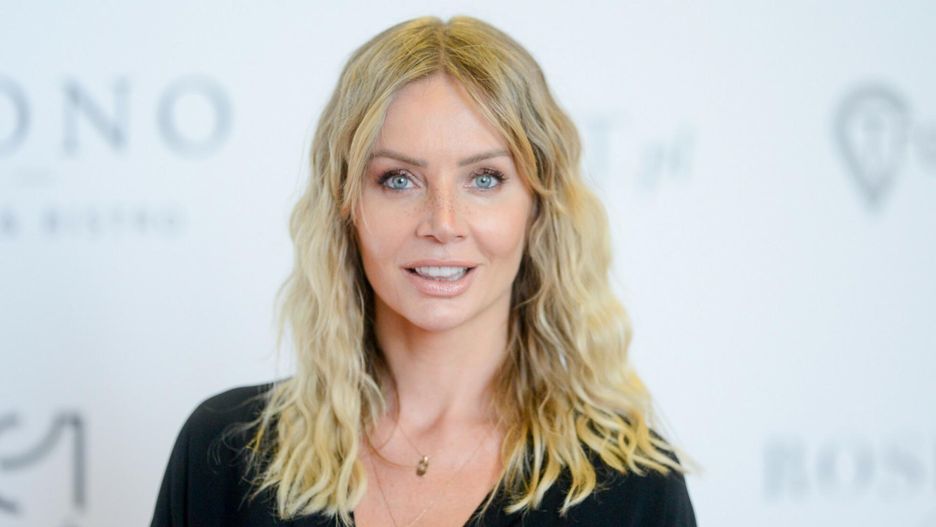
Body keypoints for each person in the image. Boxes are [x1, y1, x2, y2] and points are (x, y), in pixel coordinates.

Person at [151, 15, 697, 527]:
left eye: (484, 179)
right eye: (398, 180)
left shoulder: (632, 486)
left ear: (537, 207)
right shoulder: (225, 452)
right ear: (345, 205)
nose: (443, 223)